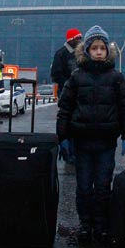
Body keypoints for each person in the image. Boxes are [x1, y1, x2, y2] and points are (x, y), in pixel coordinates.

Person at [56, 25, 125, 244]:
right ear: (87, 51)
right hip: (81, 142)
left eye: (102, 48)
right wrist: (62, 137)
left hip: (106, 143)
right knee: (83, 187)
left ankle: (101, 225)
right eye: (94, 48)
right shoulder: (77, 77)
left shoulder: (116, 78)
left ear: (107, 51)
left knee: (102, 186)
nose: (99, 52)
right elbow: (65, 108)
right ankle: (85, 224)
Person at [51, 28, 83, 166]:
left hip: (81, 94)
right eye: (78, 38)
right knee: (67, 122)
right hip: (67, 94)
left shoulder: (82, 53)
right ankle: (68, 153)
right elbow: (56, 74)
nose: (80, 40)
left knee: (79, 122)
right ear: (71, 39)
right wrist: (69, 84)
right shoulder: (61, 54)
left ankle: (77, 152)